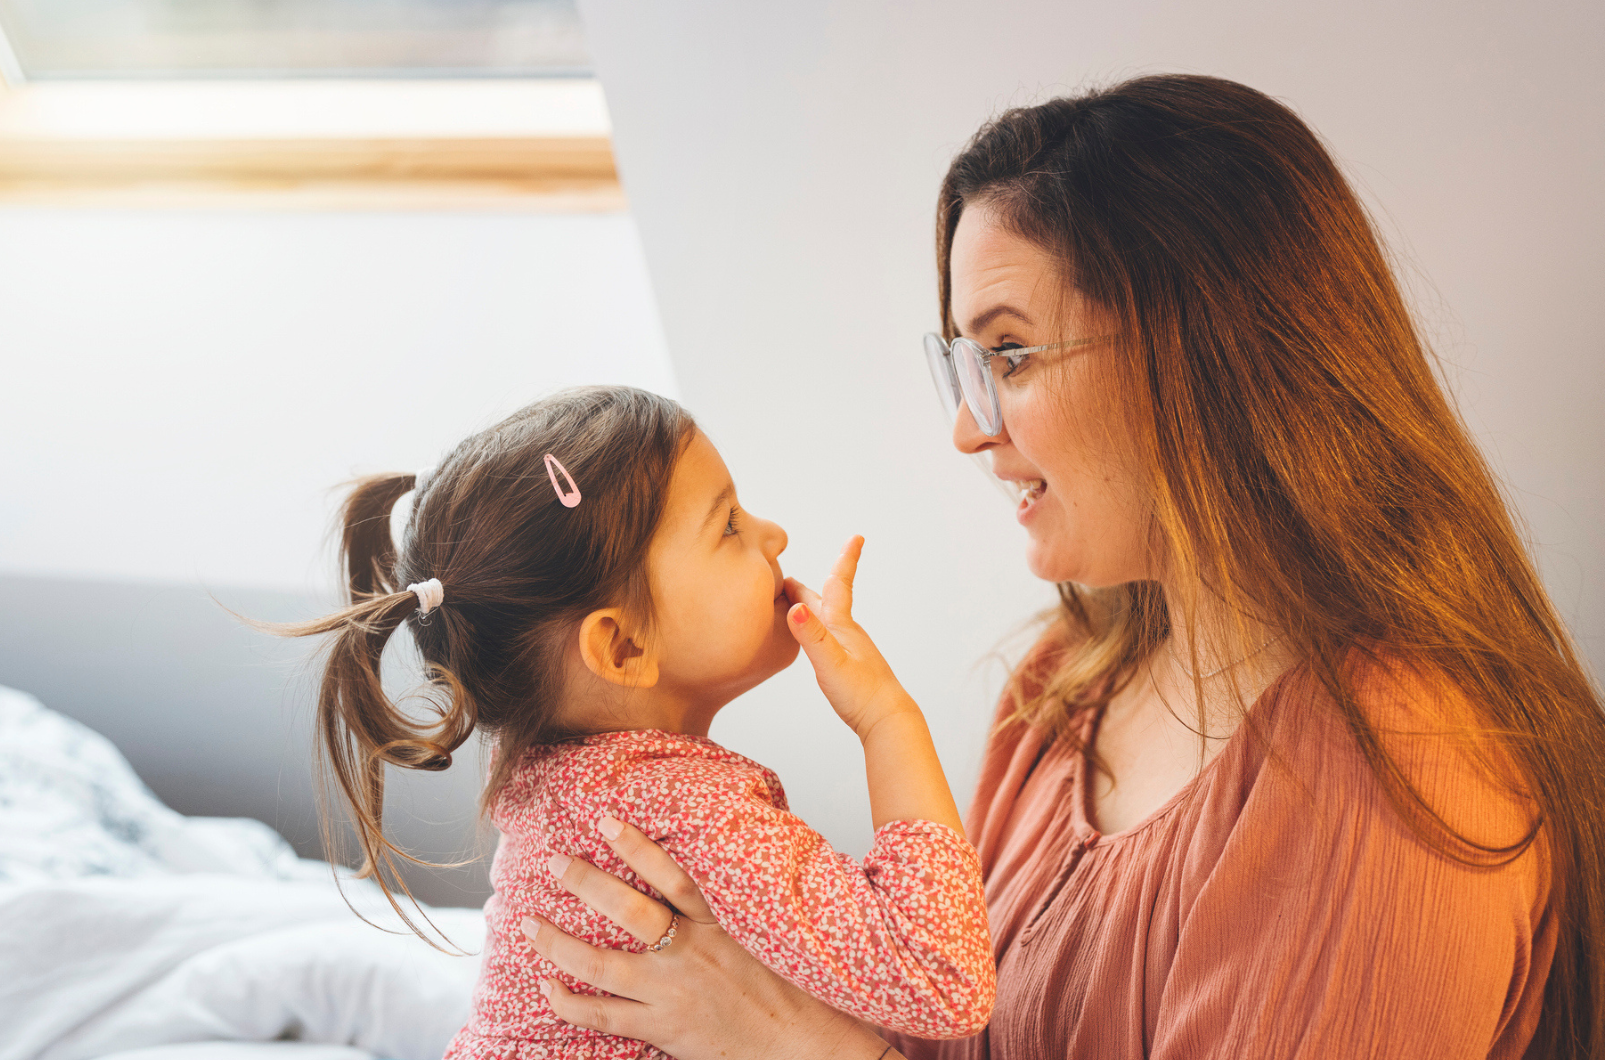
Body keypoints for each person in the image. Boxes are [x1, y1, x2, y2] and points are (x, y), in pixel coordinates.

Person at [517, 74, 1605, 1059]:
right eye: (963, 361)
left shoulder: (1401, 775)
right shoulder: (1061, 684)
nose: (967, 430)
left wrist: (790, 1046)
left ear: (1202, 353)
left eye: (1012, 354)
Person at [277, 385, 998, 1058]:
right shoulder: (682, 807)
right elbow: (941, 980)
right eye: (729, 525)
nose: (774, 535)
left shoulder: (550, 775)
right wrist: (887, 718)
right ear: (622, 647)